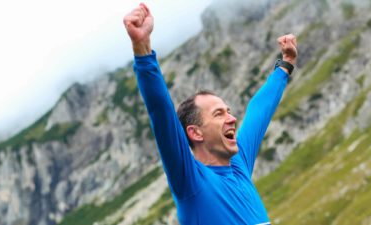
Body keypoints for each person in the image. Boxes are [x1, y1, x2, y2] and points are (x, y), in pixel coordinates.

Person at [123, 3, 297, 225]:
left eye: (229, 111)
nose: (232, 118)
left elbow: (258, 112)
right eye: (218, 114)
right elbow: (161, 112)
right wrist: (142, 47)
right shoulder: (191, 180)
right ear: (195, 132)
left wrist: (285, 64)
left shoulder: (239, 164)